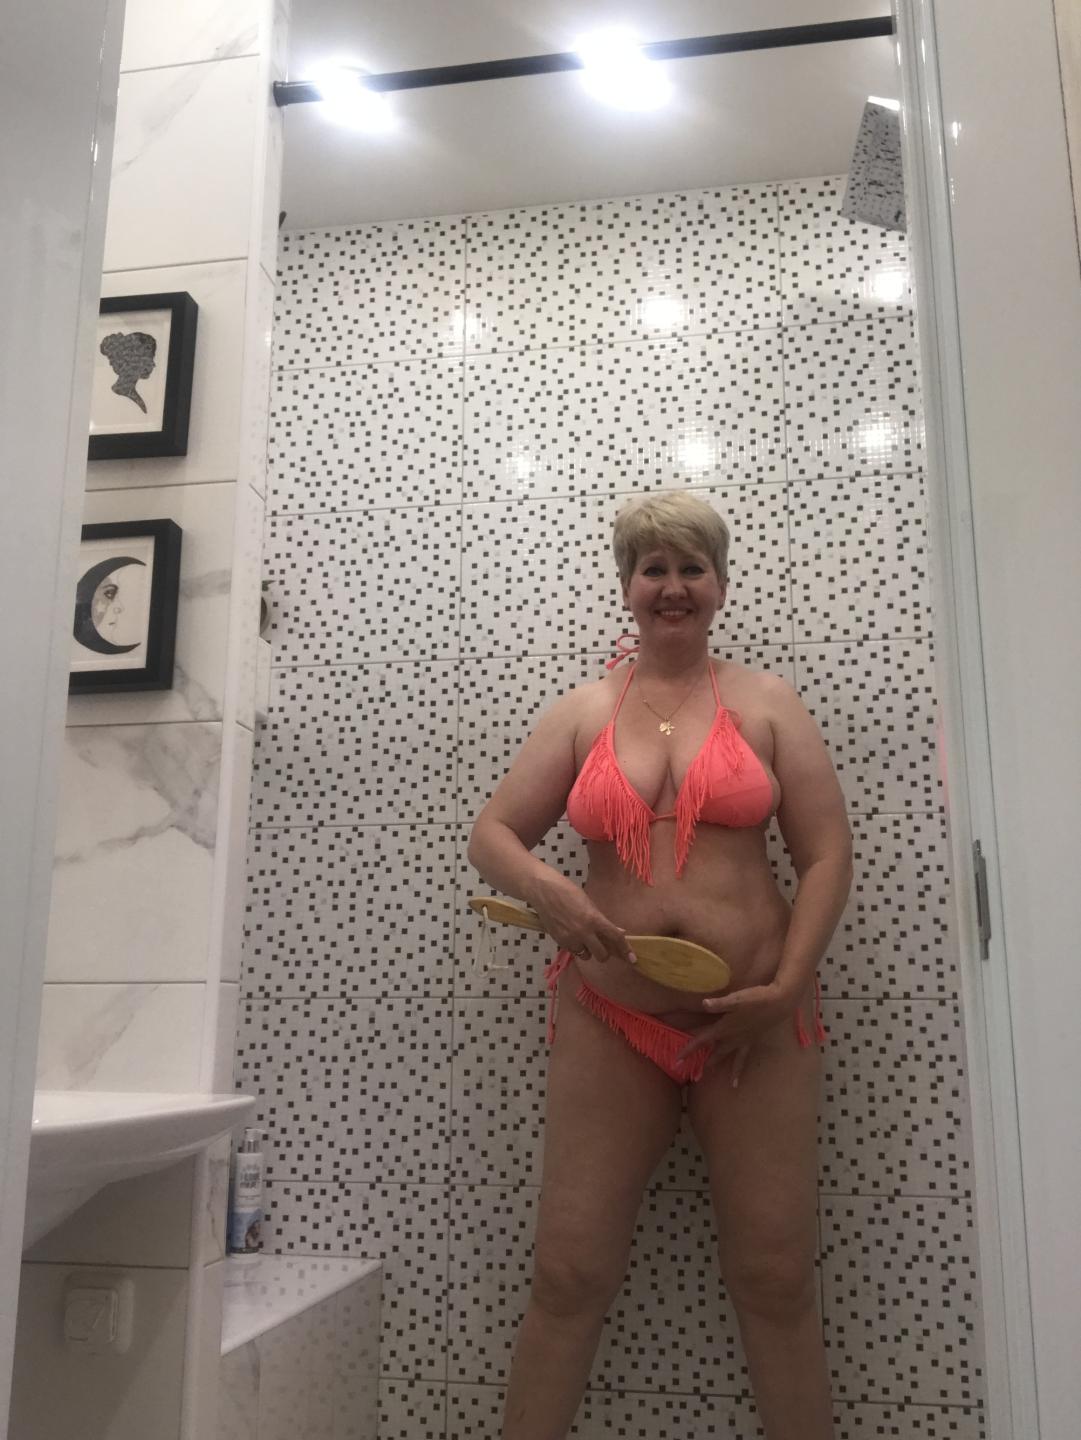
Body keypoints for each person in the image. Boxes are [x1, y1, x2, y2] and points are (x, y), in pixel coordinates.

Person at [467, 491, 852, 1440]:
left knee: (774, 1277)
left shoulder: (768, 702)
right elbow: (492, 835)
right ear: (626, 586)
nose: (671, 587)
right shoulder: (582, 711)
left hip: (756, 1019)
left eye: (690, 568)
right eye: (653, 570)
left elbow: (826, 855)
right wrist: (552, 892)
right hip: (611, 1019)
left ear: (719, 584)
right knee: (567, 1274)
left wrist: (785, 988)